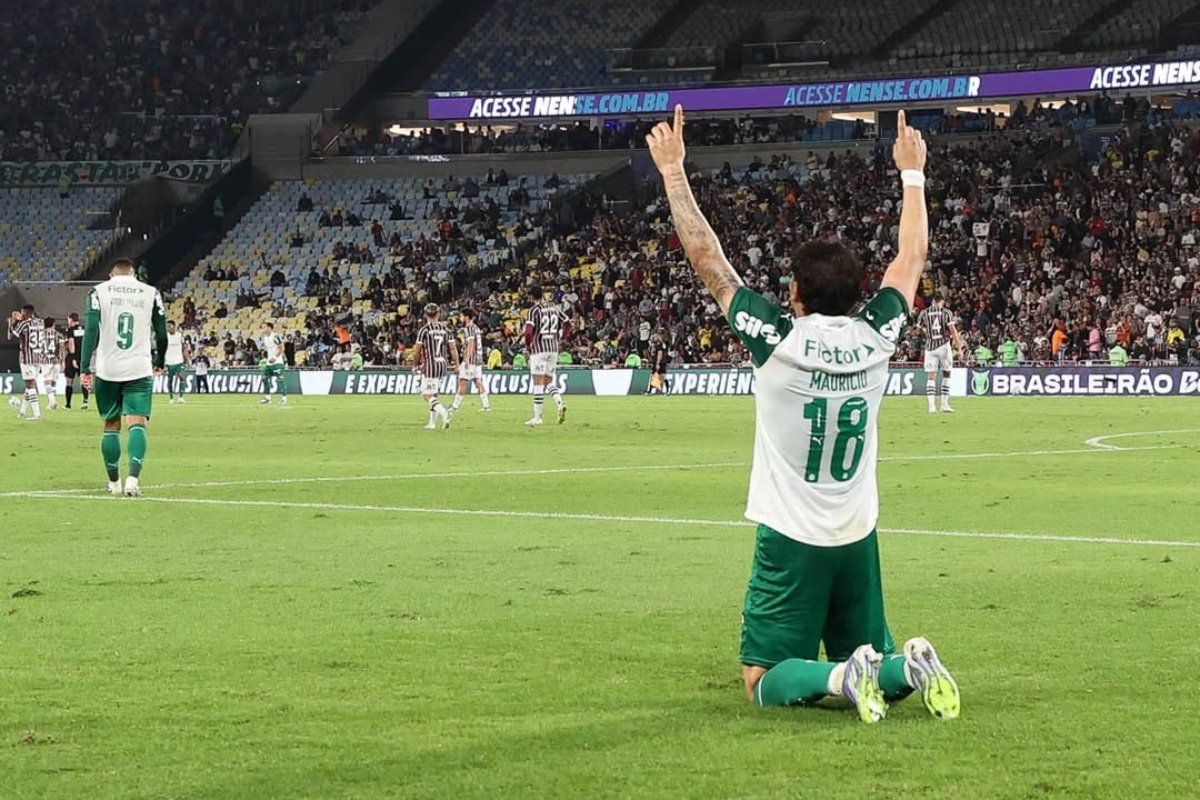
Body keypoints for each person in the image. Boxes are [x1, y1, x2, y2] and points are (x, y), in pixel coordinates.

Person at [646, 105, 959, 723]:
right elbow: (912, 257)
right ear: (856, 292)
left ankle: (845, 677)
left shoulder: (777, 342)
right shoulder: (877, 337)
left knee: (761, 678)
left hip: (792, 537)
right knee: (871, 650)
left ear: (794, 294)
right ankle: (908, 666)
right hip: (858, 532)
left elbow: (710, 263)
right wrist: (913, 176)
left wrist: (675, 174)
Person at [79, 258, 168, 497]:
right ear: (133, 275)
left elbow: (90, 329)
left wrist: (85, 367)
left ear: (111, 275)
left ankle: (114, 482)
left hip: (107, 369)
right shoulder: (150, 293)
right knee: (137, 423)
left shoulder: (97, 292)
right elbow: (161, 331)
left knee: (111, 425)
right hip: (139, 367)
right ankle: (133, 479)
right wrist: (160, 360)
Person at [523, 286, 571, 426]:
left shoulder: (534, 310)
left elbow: (528, 331)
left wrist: (528, 345)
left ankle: (537, 418)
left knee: (538, 383)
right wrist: (563, 339)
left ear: (532, 297)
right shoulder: (554, 307)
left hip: (539, 350)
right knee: (548, 381)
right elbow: (568, 324)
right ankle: (560, 404)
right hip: (553, 349)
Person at [410, 303, 457, 430]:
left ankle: (444, 413)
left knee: (427, 395)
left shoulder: (424, 330)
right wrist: (456, 365)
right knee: (434, 394)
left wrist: (415, 365)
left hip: (430, 366)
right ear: (439, 314)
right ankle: (432, 423)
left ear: (425, 315)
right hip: (442, 365)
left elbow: (417, 350)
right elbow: (453, 349)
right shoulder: (446, 330)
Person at [916, 294, 963, 413]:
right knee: (947, 374)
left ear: (932, 302)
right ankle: (944, 404)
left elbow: (917, 330)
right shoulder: (946, 313)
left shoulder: (924, 313)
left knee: (931, 377)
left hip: (930, 347)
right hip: (943, 346)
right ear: (941, 302)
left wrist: (926, 331)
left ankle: (931, 406)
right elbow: (953, 331)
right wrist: (959, 348)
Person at [7, 305, 47, 420]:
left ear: (26, 313)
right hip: (38, 357)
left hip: (27, 358)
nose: (21, 314)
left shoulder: (24, 324)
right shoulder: (40, 322)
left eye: (22, 313)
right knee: (30, 385)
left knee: (30, 384)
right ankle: (22, 412)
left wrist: (12, 322)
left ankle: (37, 414)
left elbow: (11, 335)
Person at [450, 308, 491, 414]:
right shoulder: (476, 328)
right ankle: (486, 406)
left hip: (471, 360)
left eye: (461, 316)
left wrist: (467, 359)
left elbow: (471, 344)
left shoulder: (468, 328)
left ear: (466, 317)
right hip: (478, 359)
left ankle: (455, 406)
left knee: (462, 381)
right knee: (478, 382)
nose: (460, 318)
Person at [63, 312, 89, 410]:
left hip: (73, 357)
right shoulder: (84, 329)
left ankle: (68, 404)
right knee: (83, 379)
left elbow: (71, 343)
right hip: (83, 357)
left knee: (69, 381)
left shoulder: (70, 330)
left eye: (68, 320)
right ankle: (85, 401)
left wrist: (73, 357)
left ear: (71, 319)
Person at [39, 317, 65, 411]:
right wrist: (63, 361)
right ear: (53, 324)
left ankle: (52, 400)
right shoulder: (59, 334)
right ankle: (51, 403)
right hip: (56, 360)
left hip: (45, 360)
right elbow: (62, 348)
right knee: (53, 382)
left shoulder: (41, 334)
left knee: (47, 382)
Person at [259, 322, 288, 405]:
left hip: (277, 361)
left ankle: (284, 398)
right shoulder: (265, 338)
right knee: (264, 378)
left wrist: (275, 357)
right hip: (269, 362)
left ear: (269, 328)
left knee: (280, 379)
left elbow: (282, 348)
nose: (263, 329)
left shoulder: (275, 336)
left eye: (264, 327)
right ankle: (268, 398)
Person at [165, 320, 188, 404]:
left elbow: (184, 348)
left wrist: (187, 359)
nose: (168, 328)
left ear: (174, 326)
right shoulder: (165, 337)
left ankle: (181, 397)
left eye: (170, 326)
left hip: (179, 360)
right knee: (170, 380)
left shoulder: (179, 336)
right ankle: (171, 398)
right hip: (169, 361)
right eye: (167, 326)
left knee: (182, 377)